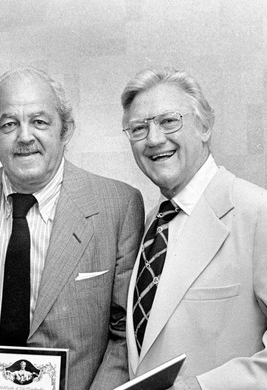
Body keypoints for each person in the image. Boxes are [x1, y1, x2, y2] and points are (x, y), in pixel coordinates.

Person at [0, 66, 145, 389]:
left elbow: (124, 333)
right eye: (9, 124)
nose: (24, 136)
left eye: (39, 122)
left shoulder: (117, 206)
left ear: (66, 130)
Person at [121, 67, 267, 390]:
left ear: (205, 126)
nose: (154, 139)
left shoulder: (258, 213)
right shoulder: (151, 224)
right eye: (138, 129)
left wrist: (200, 387)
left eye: (169, 120)